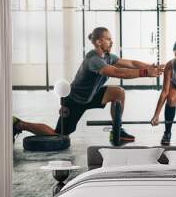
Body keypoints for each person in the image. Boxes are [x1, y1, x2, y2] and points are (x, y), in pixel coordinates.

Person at [13, 27, 164, 144]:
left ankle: (117, 129)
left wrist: (152, 67)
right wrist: (145, 73)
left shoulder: (108, 57)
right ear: (99, 42)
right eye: (108, 39)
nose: (112, 42)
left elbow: (130, 63)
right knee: (59, 135)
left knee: (118, 93)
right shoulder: (94, 59)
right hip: (74, 101)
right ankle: (19, 124)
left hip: (92, 95)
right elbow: (118, 72)